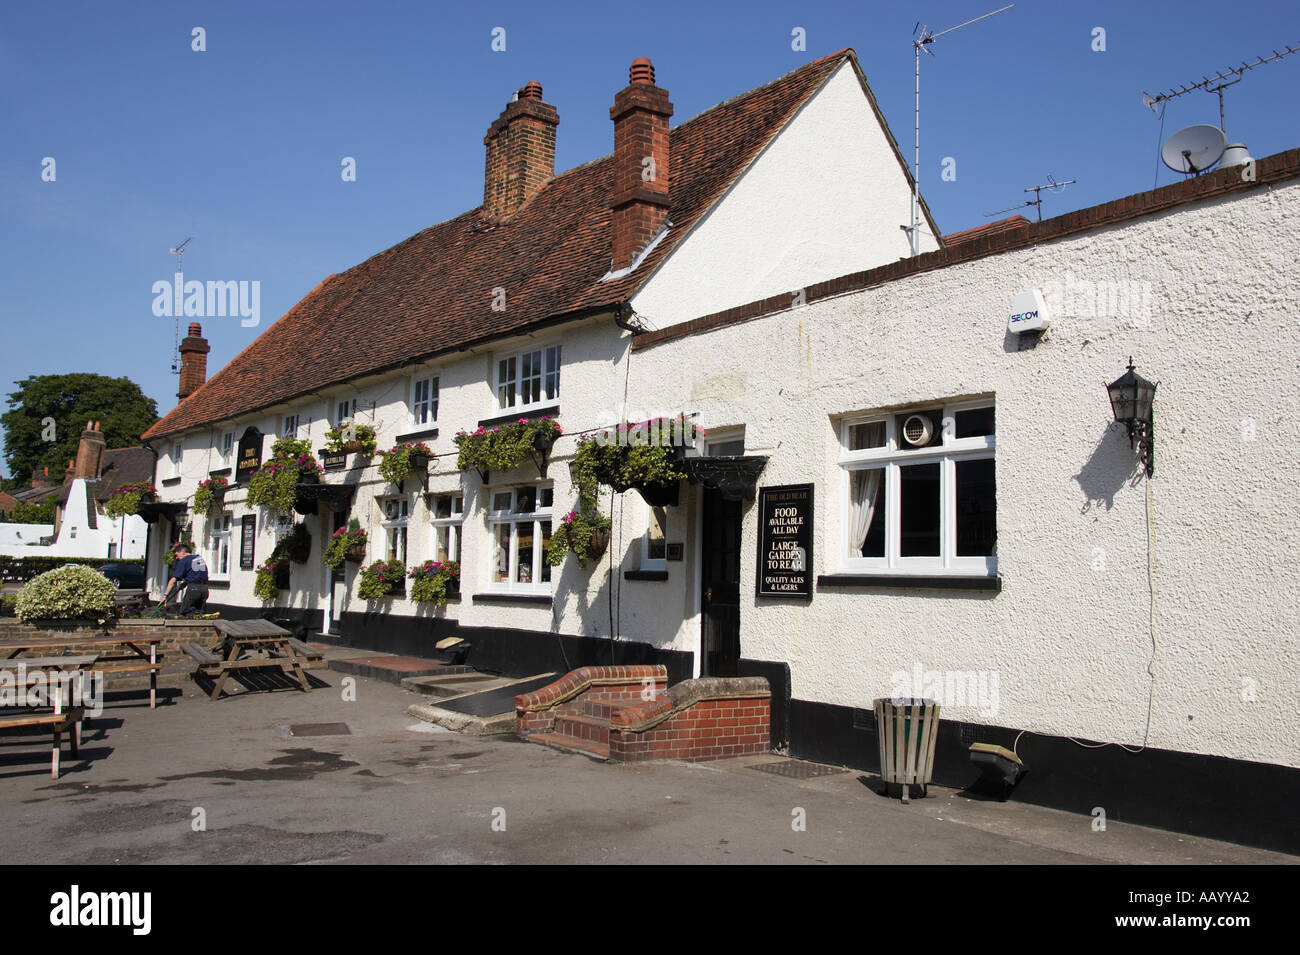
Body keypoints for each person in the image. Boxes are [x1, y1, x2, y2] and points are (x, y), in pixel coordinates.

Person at [163, 543, 209, 615]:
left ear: (183, 552)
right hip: (205, 589)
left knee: (184, 612)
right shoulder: (199, 559)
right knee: (200, 613)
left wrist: (165, 596)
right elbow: (197, 575)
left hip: (194, 589)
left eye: (177, 555)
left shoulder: (184, 561)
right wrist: (186, 583)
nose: (176, 558)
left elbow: (173, 580)